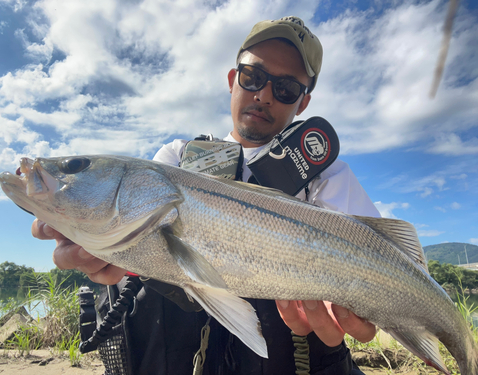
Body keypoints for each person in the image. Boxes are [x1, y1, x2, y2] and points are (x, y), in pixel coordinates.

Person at [32, 16, 380, 374]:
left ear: (302, 103)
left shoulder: (327, 175)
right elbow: (140, 248)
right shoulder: (175, 158)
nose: (263, 95)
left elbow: (388, 264)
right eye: (253, 78)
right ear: (233, 80)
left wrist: (371, 307)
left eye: (287, 89)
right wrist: (117, 260)